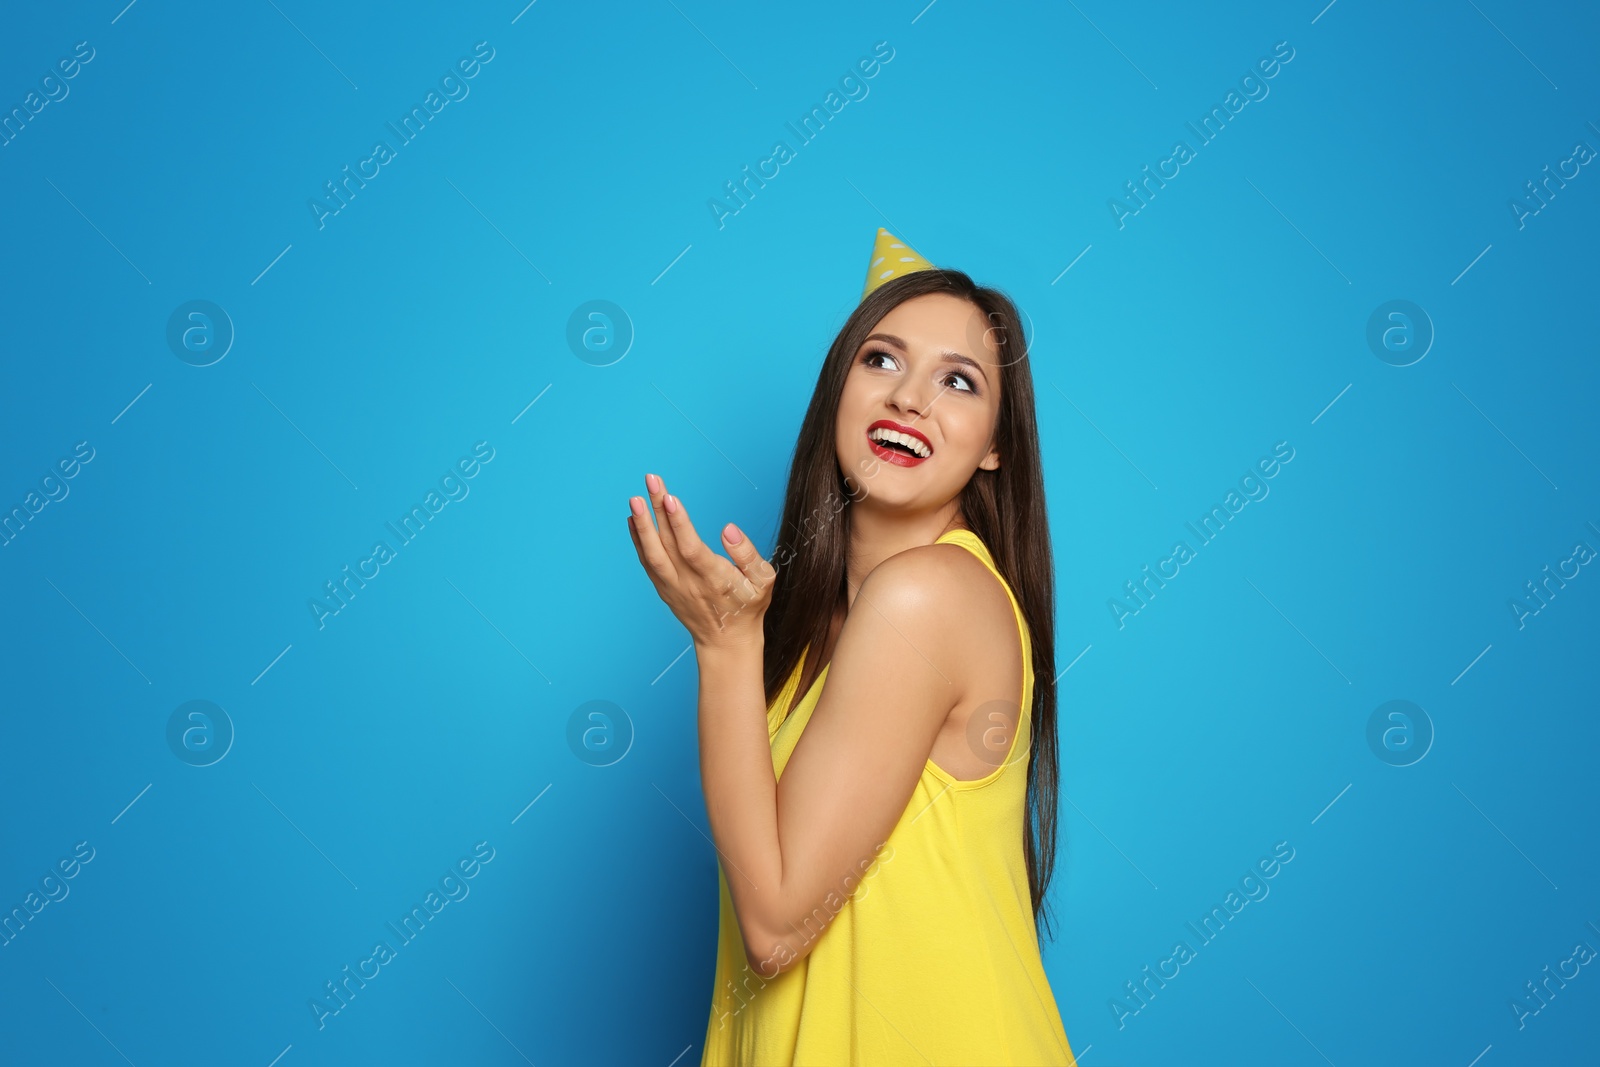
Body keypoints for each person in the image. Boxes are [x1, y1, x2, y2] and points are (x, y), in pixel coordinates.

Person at [627, 229, 1076, 1065]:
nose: (909, 398)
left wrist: (724, 647)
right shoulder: (807, 640)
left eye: (958, 381)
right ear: (838, 387)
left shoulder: (930, 596)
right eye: (881, 360)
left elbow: (775, 923)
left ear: (995, 447)